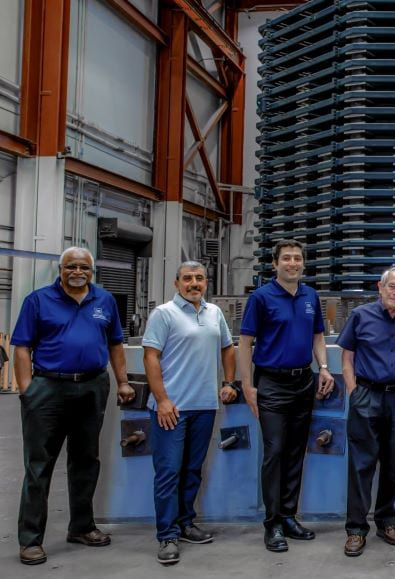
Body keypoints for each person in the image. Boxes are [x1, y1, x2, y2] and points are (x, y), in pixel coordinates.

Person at [11, 247, 135, 566]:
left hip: (93, 385)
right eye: (71, 266)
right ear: (61, 269)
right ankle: (30, 539)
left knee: (86, 460)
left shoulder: (104, 300)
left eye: (84, 267)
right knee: (39, 465)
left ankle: (81, 527)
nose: (77, 271)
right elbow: (22, 347)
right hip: (49, 387)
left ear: (92, 271)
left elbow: (115, 344)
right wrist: (27, 389)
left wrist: (122, 381)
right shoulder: (38, 300)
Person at [238, 239, 334, 552]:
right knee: (275, 451)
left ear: (303, 264)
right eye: (286, 258)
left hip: (303, 382)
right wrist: (247, 386)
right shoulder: (261, 297)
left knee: (295, 451)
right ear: (275, 264)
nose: (292, 263)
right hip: (271, 384)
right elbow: (245, 343)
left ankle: (289, 516)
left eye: (297, 259)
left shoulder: (310, 296)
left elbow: (317, 335)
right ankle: (273, 522)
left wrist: (323, 367)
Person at [143, 261, 237, 565]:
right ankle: (167, 535)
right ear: (176, 283)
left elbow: (228, 347)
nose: (193, 283)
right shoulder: (163, 314)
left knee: (192, 470)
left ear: (206, 283)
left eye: (199, 278)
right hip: (172, 409)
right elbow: (151, 357)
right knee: (169, 472)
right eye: (187, 279)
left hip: (204, 407)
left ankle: (185, 523)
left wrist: (228, 381)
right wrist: (162, 400)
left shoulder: (214, 313)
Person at [338, 266, 395, 557]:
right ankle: (355, 530)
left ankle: (386, 522)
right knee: (361, 465)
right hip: (367, 396)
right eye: (392, 287)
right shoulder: (361, 315)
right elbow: (347, 357)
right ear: (381, 287)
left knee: (392, 464)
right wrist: (353, 391)